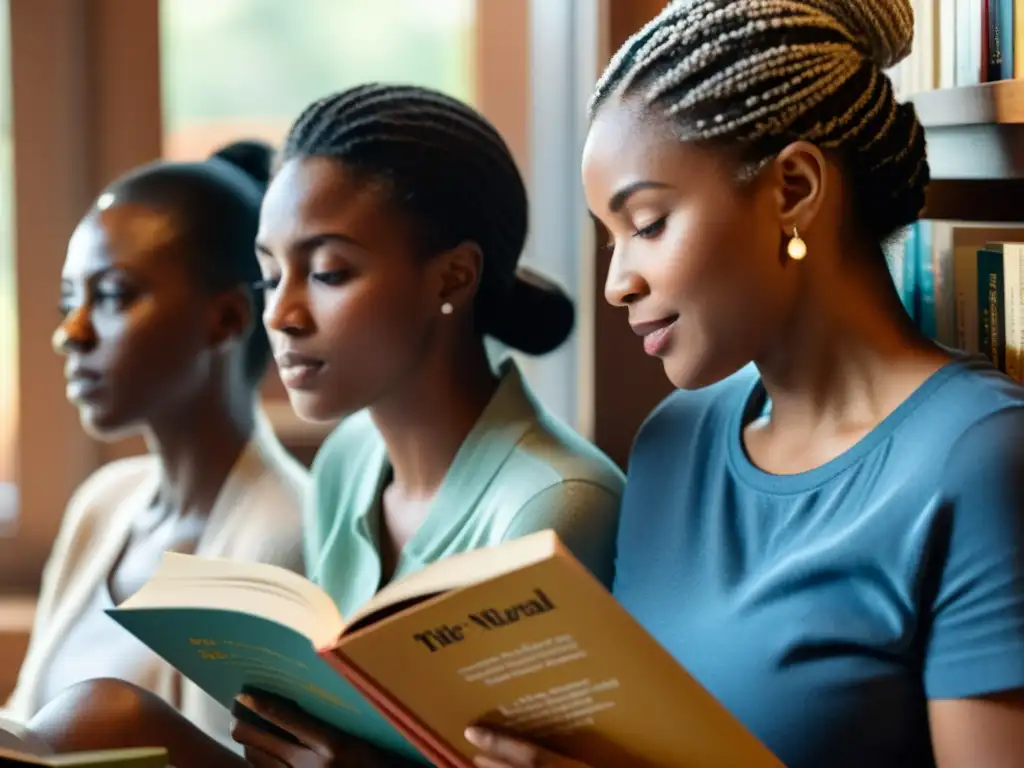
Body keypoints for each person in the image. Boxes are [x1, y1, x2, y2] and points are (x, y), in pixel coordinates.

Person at [468, 2, 1024, 768]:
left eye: (649, 223)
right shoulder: (674, 441)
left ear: (793, 188)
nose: (616, 284)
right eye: (609, 236)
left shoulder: (977, 460)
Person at [22, 84, 624, 768]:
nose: (281, 314)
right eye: (271, 274)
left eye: (329, 272)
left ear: (453, 277)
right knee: (98, 719)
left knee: (105, 718)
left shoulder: (556, 503)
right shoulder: (349, 460)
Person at [0, 141, 307, 755]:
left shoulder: (290, 534)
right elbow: (26, 722)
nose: (71, 332)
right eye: (69, 301)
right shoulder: (105, 504)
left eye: (111, 296)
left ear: (225, 319)